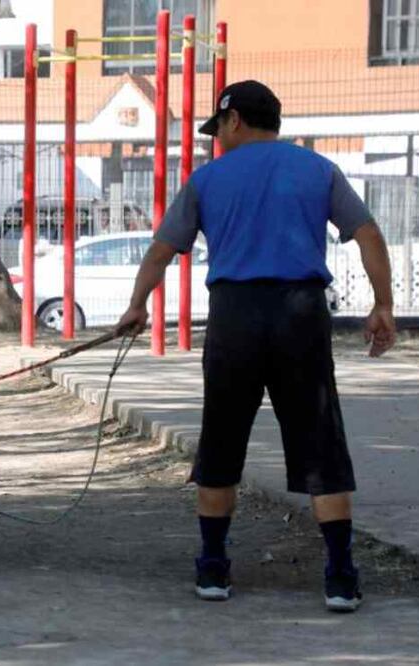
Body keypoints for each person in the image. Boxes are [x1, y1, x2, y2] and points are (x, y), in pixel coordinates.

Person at [116, 80, 397, 612]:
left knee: (221, 439)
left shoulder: (208, 179)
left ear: (235, 120)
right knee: (321, 442)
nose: (214, 140)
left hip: (234, 318)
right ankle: (339, 575)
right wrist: (383, 305)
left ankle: (214, 568)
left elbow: (160, 251)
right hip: (301, 314)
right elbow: (369, 235)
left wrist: (137, 306)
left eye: (216, 129)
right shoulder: (318, 170)